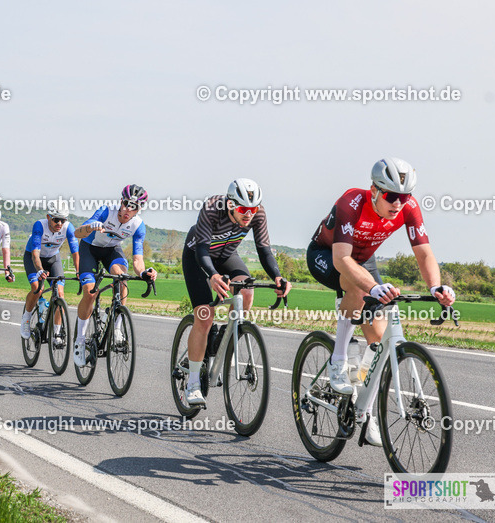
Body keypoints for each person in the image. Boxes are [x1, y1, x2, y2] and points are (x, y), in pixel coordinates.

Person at [308, 157, 455, 447]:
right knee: (357, 286)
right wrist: (373, 287)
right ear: (374, 190)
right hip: (328, 255)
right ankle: (338, 361)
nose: (398, 203)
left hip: (364, 259)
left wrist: (436, 286)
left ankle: (363, 410)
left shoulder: (408, 209)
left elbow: (424, 253)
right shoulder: (351, 202)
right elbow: (342, 260)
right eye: (391, 196)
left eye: (405, 196)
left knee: (378, 341)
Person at [182, 179, 290, 407]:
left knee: (246, 292)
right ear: (230, 204)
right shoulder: (213, 207)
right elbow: (202, 250)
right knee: (204, 316)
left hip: (226, 255)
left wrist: (278, 277)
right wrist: (213, 275)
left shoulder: (257, 213)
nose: (248, 214)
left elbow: (264, 250)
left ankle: (221, 341)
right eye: (243, 209)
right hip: (198, 257)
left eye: (253, 209)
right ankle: (192, 383)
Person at [72, 185, 157, 368]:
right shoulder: (106, 211)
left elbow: (137, 260)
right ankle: (79, 340)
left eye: (134, 207)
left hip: (111, 251)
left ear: (139, 209)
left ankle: (117, 328)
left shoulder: (138, 226)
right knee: (90, 293)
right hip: (89, 249)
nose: (127, 210)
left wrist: (144, 273)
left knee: (122, 278)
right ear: (121, 201)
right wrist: (90, 227)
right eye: (126, 204)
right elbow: (76, 233)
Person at [21, 200, 79, 347]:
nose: (59, 223)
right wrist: (40, 269)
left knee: (60, 293)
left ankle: (57, 333)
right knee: (37, 288)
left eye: (63, 220)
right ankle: (26, 318)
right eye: (56, 219)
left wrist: (79, 271)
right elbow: (35, 253)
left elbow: (75, 252)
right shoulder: (39, 226)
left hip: (53, 259)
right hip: (34, 259)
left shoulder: (68, 227)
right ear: (48, 217)